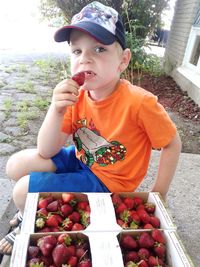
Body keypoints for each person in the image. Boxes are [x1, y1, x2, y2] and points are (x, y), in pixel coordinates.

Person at [0, 1, 181, 255]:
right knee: (15, 165)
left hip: (108, 182)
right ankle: (24, 213)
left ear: (123, 60)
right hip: (80, 159)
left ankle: (27, 223)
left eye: (98, 49)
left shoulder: (140, 103)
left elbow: (173, 142)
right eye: (76, 51)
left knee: (22, 189)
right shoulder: (78, 96)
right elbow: (46, 148)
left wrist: (158, 193)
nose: (85, 58)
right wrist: (56, 109)